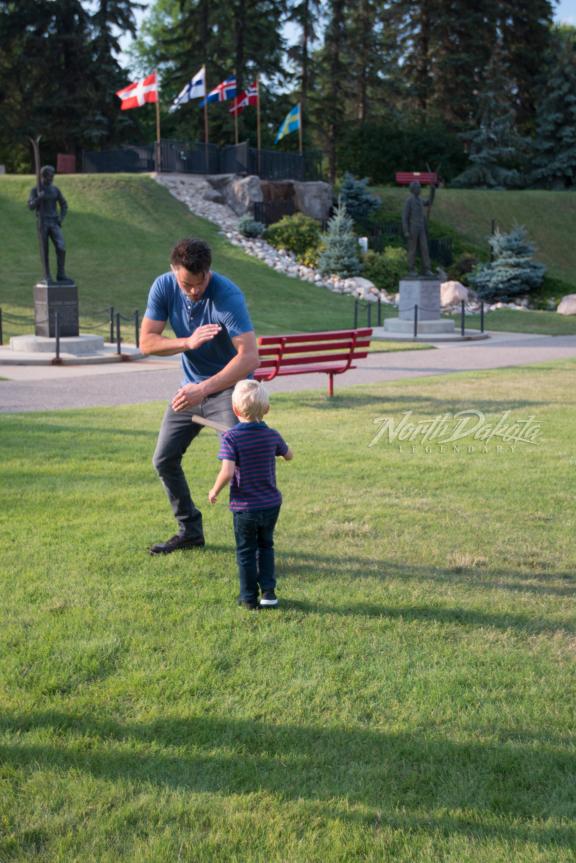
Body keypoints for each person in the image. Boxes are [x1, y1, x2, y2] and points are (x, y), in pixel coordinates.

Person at [140, 237, 260, 555]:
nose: (194, 291)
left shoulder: (227, 296)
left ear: (209, 271)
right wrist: (187, 343)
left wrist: (204, 389)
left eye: (200, 282)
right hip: (190, 390)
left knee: (242, 463)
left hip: (230, 391)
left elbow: (250, 357)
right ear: (173, 270)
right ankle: (190, 531)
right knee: (164, 459)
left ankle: (251, 544)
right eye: (187, 284)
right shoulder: (164, 287)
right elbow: (147, 342)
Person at [208, 380, 293, 610]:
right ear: (267, 409)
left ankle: (248, 598)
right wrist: (281, 446)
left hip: (245, 507)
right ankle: (268, 594)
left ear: (235, 409)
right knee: (266, 547)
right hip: (271, 504)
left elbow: (227, 472)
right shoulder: (272, 435)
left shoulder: (231, 438)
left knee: (246, 551)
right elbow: (289, 455)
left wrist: (214, 490)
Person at [28, 165, 69, 282]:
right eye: (50, 176)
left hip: (54, 222)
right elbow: (30, 206)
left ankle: (61, 274)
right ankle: (46, 275)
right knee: (44, 250)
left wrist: (61, 218)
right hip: (43, 222)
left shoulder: (55, 190)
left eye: (52, 176)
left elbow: (64, 204)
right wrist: (39, 198)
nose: (52, 178)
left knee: (61, 247)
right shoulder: (36, 190)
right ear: (43, 176)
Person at [402, 180, 436, 276]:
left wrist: (433, 191)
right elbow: (404, 217)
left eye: (420, 188)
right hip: (413, 228)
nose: (420, 189)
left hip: (421, 228)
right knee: (412, 249)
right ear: (413, 189)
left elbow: (429, 202)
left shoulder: (420, 200)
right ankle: (411, 269)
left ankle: (426, 269)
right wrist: (406, 231)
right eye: (418, 188)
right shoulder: (409, 201)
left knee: (424, 248)